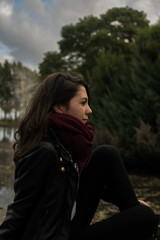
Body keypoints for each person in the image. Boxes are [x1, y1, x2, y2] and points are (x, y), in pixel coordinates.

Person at [0, 72, 158, 240]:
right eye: (83, 103)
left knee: (107, 154)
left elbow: (74, 184)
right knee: (146, 216)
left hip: (71, 224)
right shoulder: (44, 152)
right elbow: (20, 209)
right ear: (59, 106)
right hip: (60, 236)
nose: (89, 110)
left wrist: (128, 204)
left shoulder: (66, 143)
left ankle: (137, 220)